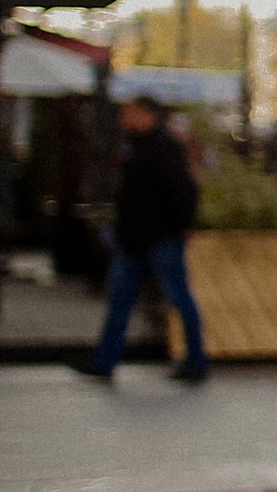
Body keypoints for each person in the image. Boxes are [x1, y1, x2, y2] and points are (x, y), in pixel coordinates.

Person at [73, 96, 209, 385]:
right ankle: (104, 360)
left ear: (144, 114)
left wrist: (184, 224)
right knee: (122, 300)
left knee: (178, 297)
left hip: (160, 237)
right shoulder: (134, 146)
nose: (124, 117)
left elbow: (183, 189)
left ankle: (196, 359)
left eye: (129, 112)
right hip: (134, 238)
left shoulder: (164, 147)